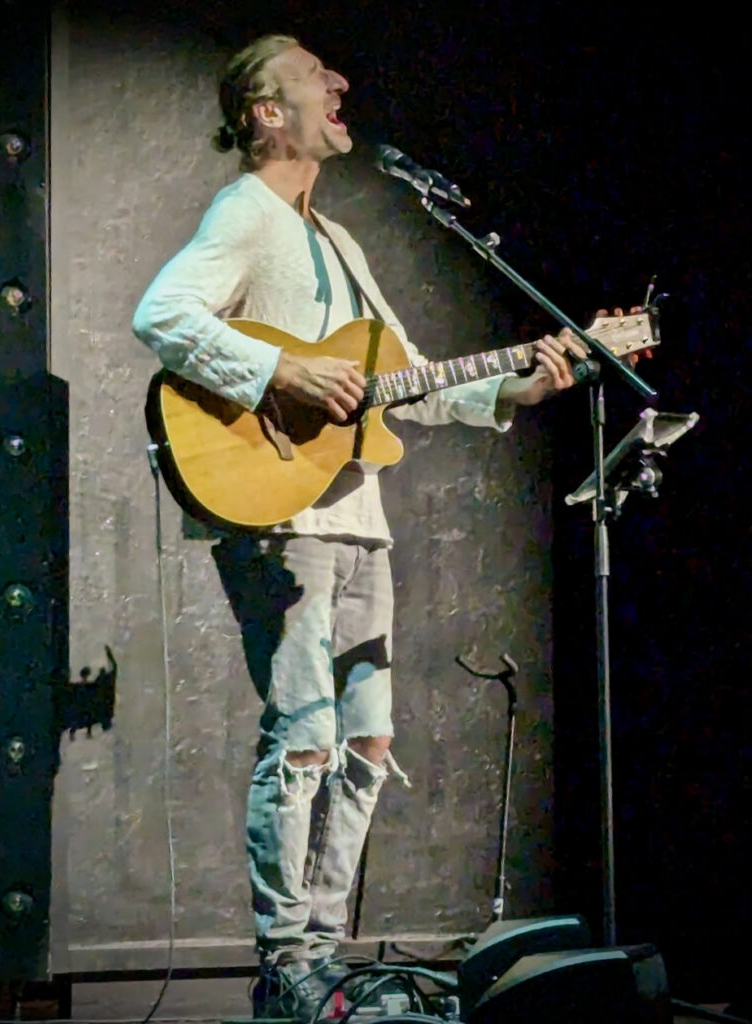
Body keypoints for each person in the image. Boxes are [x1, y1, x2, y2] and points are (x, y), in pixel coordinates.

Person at [132, 34, 587, 1021]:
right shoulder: (246, 212)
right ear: (266, 112)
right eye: (314, 74)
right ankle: (285, 961)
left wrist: (515, 385)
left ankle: (324, 953)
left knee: (367, 743)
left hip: (358, 522)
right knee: (303, 737)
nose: (340, 82)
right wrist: (280, 371)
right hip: (283, 519)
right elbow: (163, 314)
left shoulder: (338, 239)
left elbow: (407, 382)